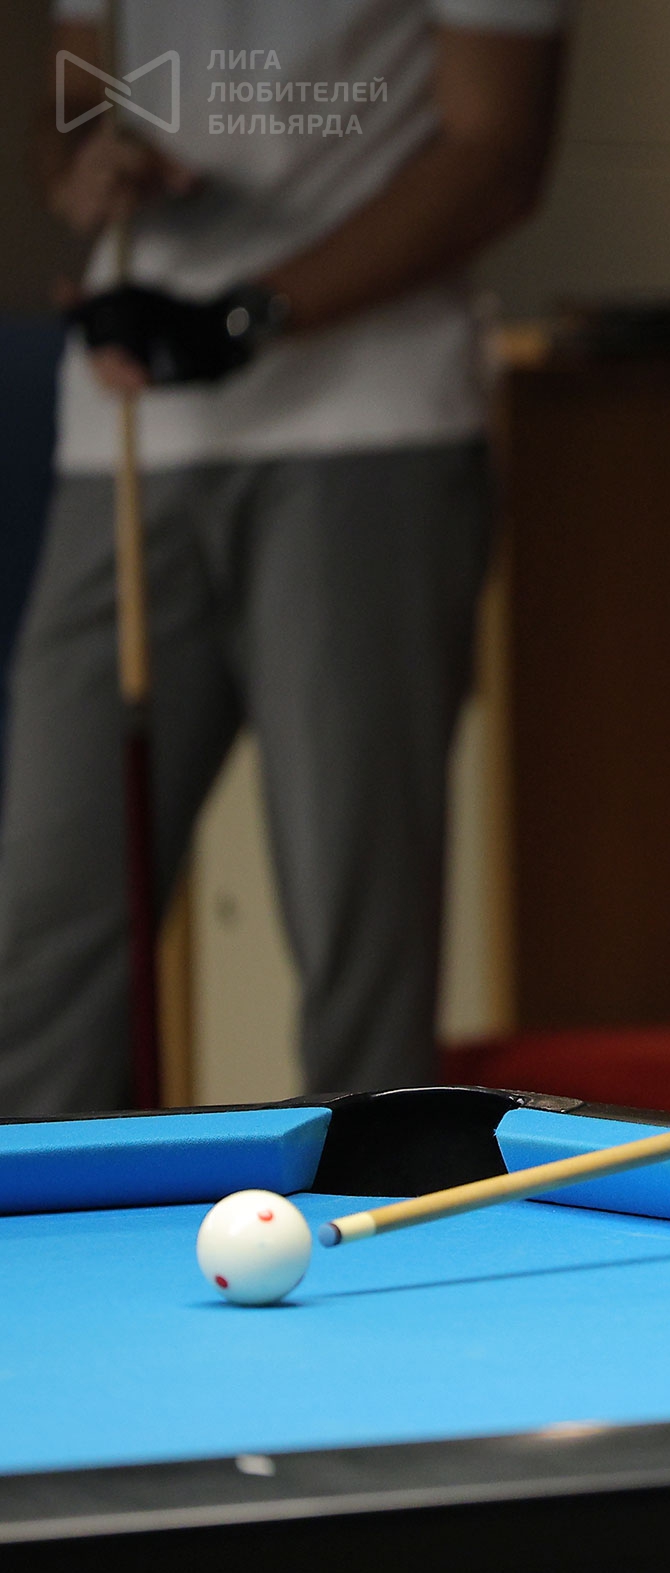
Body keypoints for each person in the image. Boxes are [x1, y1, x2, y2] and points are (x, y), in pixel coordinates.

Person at [0, 2, 567, 1113]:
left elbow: (497, 154)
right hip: (130, 426)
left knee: (359, 937)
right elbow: (72, 100)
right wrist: (86, 165)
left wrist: (245, 316)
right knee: (45, 944)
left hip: (370, 427)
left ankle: (373, 1219)